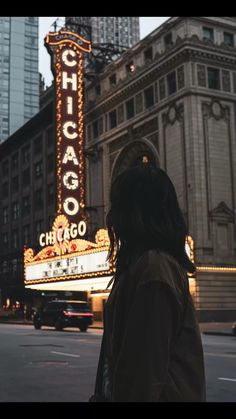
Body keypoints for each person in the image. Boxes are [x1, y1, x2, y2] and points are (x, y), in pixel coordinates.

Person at [90, 163, 206, 402]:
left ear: (134, 212)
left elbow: (143, 378)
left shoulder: (153, 269)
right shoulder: (144, 266)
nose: (111, 217)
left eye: (118, 206)